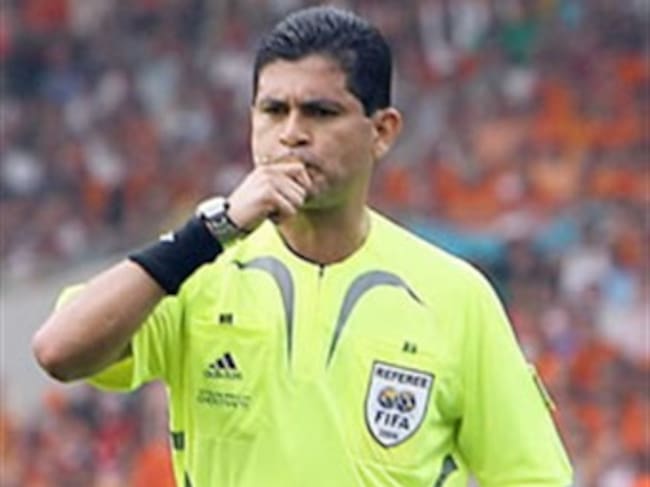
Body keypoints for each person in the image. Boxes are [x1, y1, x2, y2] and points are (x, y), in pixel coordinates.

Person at [33, 6, 573, 486]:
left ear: (382, 132)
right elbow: (58, 350)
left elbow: (532, 477)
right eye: (273, 110)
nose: (291, 133)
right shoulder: (197, 267)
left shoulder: (454, 295)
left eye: (320, 112)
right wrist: (209, 234)